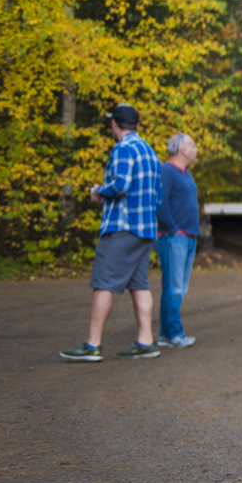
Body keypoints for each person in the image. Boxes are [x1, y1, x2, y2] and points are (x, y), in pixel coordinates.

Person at [60, 104, 163, 361]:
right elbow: (158, 195)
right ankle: (145, 341)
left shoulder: (123, 149)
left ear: (114, 124)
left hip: (122, 227)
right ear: (137, 125)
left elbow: (120, 185)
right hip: (146, 229)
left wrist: (98, 191)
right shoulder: (151, 152)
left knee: (103, 282)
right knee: (139, 284)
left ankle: (92, 346)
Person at [156, 133, 200, 348]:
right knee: (174, 287)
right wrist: (173, 230)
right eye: (193, 146)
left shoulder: (187, 175)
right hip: (175, 238)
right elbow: (160, 203)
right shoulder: (167, 171)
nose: (196, 149)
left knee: (177, 287)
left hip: (188, 237)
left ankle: (165, 334)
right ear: (182, 150)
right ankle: (175, 334)